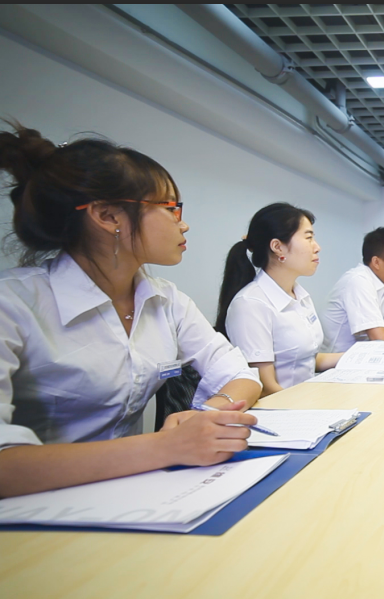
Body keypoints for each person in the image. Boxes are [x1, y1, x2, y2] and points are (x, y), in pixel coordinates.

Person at [0, 124, 261, 498]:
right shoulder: (13, 303)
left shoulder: (165, 299)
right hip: (35, 510)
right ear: (108, 216)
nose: (183, 222)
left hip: (132, 495)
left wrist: (207, 414)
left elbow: (239, 373)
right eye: (170, 208)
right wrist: (165, 447)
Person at [216, 203, 340, 397]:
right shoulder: (250, 304)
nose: (317, 247)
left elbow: (305, 358)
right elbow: (265, 388)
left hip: (306, 400)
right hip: (281, 408)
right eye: (308, 238)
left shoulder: (300, 295)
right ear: (277, 247)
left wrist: (358, 357)